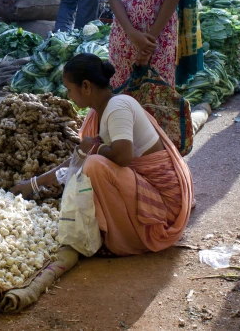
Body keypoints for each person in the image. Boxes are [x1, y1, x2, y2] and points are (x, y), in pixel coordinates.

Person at [11, 54, 194, 256]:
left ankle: (126, 242)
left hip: (163, 206)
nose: (69, 95)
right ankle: (118, 231)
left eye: (70, 89)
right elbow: (78, 158)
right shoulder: (100, 111)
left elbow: (122, 156)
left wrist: (94, 149)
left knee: (95, 166)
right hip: (147, 188)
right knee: (91, 162)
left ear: (86, 86)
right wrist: (34, 184)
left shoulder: (117, 108)